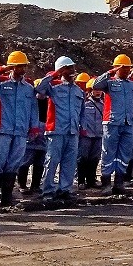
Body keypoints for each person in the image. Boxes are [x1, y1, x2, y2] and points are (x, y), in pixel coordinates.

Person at [0, 51, 40, 209]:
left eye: (24, 66)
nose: (22, 69)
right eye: (19, 66)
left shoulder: (28, 87)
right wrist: (0, 70)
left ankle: (7, 196)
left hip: (20, 131)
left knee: (13, 163)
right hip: (3, 129)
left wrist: (33, 127)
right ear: (12, 67)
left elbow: (33, 109)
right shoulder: (1, 84)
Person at [36, 57, 84, 202]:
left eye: (72, 67)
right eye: (68, 68)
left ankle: (65, 189)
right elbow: (39, 89)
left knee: (69, 162)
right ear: (61, 70)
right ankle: (48, 190)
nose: (72, 71)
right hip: (56, 131)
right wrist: (53, 75)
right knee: (52, 161)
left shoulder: (78, 90)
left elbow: (81, 112)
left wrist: (81, 127)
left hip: (72, 132)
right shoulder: (53, 87)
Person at [94, 54, 133, 195]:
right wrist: (110, 73)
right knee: (108, 153)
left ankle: (119, 183)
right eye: (123, 68)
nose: (126, 71)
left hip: (128, 123)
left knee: (124, 154)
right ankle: (106, 183)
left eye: (128, 68)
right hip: (112, 123)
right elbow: (96, 84)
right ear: (116, 68)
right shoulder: (110, 83)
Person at [77, 77, 104, 188]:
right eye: (95, 89)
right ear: (89, 90)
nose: (97, 91)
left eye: (99, 89)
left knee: (94, 159)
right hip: (86, 135)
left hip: (98, 135)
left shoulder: (104, 104)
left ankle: (91, 180)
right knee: (82, 158)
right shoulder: (84, 103)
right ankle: (81, 181)